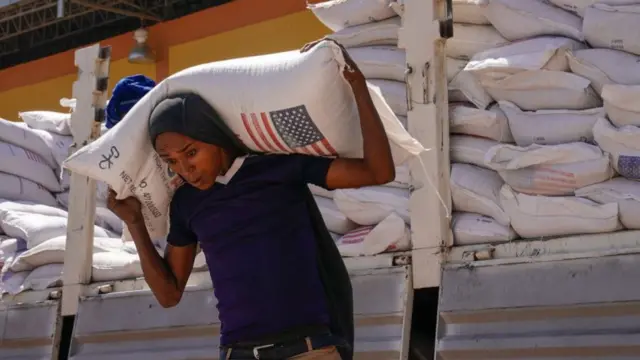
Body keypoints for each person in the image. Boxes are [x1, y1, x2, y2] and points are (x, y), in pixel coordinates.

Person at [106, 40, 395, 360]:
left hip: (307, 351)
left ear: (214, 137)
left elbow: (377, 171)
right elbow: (168, 294)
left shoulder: (279, 168)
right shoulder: (187, 203)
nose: (185, 169)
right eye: (171, 161)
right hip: (237, 353)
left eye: (191, 153)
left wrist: (357, 85)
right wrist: (134, 223)